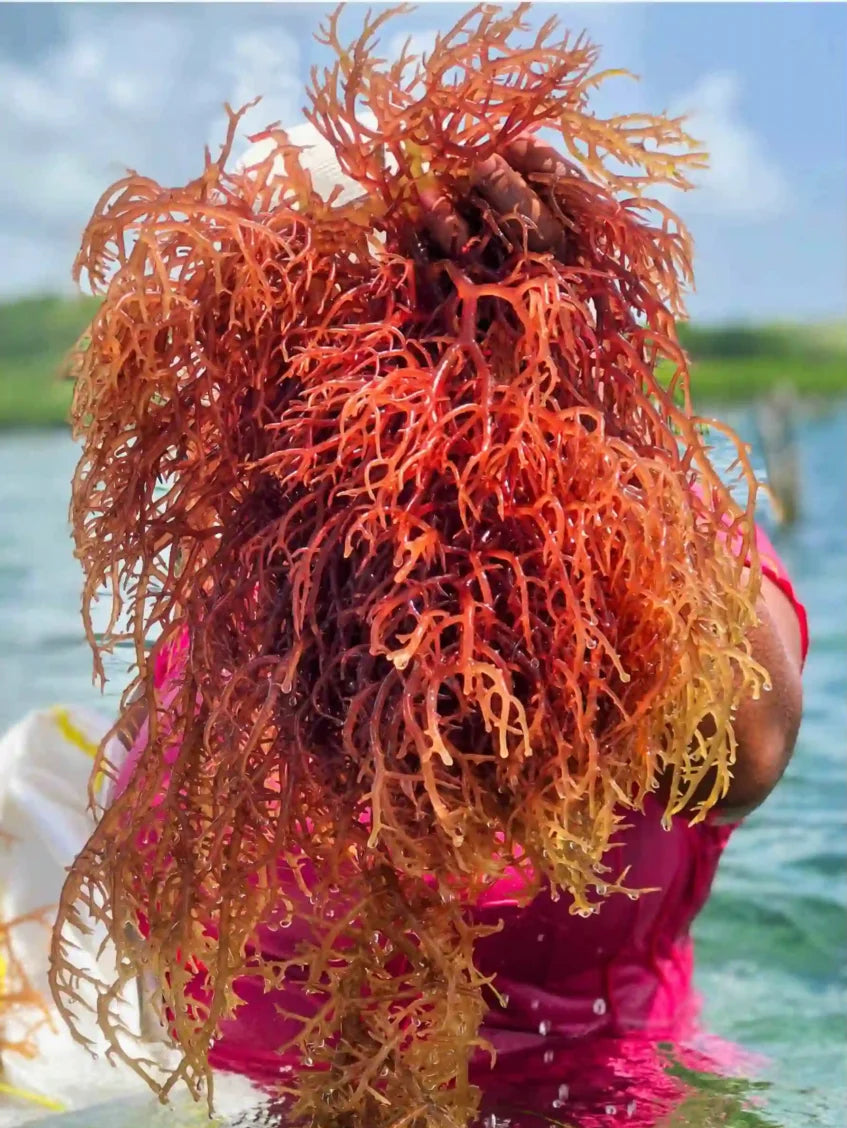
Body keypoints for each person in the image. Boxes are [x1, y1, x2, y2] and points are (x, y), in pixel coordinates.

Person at [106, 131, 808, 1128]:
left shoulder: (640, 539)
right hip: (248, 1098)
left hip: (590, 1099)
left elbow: (742, 758)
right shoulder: (253, 563)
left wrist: (582, 394)